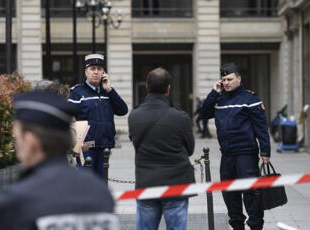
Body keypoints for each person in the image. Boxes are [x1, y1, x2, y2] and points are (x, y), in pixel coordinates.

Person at [0, 91, 116, 230]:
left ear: (31, 140)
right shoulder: (100, 192)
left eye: (17, 136)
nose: (15, 140)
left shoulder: (17, 200)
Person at [200, 62, 271, 230]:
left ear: (239, 78)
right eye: (224, 79)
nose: (226, 82)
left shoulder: (251, 99)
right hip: (227, 155)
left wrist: (265, 152)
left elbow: (262, 128)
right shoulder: (220, 99)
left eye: (230, 79)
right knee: (229, 193)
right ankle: (237, 225)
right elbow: (204, 114)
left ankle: (255, 225)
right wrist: (214, 92)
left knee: (250, 192)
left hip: (246, 154)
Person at [128, 67, 195, 230]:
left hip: (146, 182)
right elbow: (190, 149)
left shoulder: (134, 116)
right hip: (176, 183)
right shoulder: (180, 117)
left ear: (147, 87)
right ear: (168, 88)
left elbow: (135, 143)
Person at [68, 54, 128, 176]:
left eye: (99, 69)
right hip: (86, 148)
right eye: (92, 69)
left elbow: (123, 110)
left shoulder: (108, 91)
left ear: (103, 72)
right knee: (86, 184)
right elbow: (69, 119)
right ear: (86, 72)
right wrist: (75, 146)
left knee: (101, 183)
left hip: (104, 146)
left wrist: (110, 90)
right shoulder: (77, 93)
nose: (96, 72)